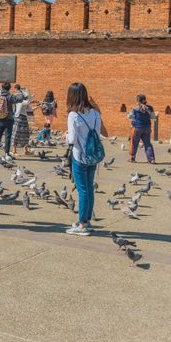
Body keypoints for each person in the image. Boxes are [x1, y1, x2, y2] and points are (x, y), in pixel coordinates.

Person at [65, 82, 103, 236]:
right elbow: (98, 133)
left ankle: (82, 225)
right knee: (89, 189)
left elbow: (72, 139)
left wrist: (65, 136)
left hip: (79, 156)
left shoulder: (73, 115)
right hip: (93, 155)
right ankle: (87, 220)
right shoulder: (95, 113)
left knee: (82, 191)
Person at [0, 82, 26, 161]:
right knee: (8, 137)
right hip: (8, 119)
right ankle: (7, 153)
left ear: (2, 87)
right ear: (9, 88)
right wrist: (21, 93)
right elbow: (20, 99)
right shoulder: (10, 96)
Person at [127, 95, 156, 163]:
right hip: (147, 127)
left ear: (138, 101)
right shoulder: (150, 108)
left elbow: (129, 116)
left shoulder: (135, 109)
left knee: (134, 143)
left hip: (137, 127)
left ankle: (132, 158)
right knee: (147, 143)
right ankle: (151, 159)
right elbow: (153, 117)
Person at [10, 85, 33, 157]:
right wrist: (30, 97)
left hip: (24, 118)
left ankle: (26, 150)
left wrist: (37, 106)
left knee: (26, 134)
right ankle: (14, 151)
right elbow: (25, 103)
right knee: (16, 134)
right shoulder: (19, 100)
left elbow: (29, 108)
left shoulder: (24, 100)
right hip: (19, 118)